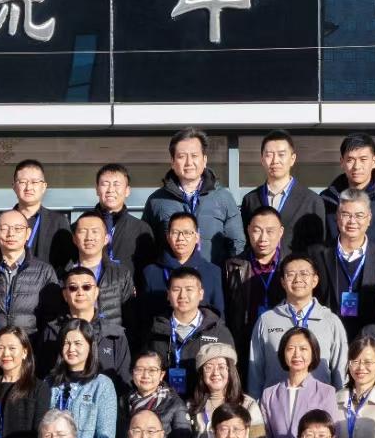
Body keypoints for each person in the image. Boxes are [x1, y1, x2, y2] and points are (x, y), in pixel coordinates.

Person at [249, 252, 347, 396]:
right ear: (283, 282)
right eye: (291, 274)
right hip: (276, 404)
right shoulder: (267, 320)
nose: (297, 279)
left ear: (315, 280)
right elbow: (255, 371)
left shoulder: (331, 321)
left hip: (318, 404)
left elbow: (340, 371)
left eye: (304, 274)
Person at [143, 127, 244, 264]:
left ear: (204, 159)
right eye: (182, 156)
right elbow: (146, 248)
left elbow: (237, 244)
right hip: (170, 276)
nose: (189, 162)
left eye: (194, 156)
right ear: (172, 162)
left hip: (212, 275)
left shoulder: (223, 198)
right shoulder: (157, 201)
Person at [318, 188, 375, 335]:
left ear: (369, 218)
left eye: (359, 215)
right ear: (337, 217)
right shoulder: (317, 254)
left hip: (369, 338)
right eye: (346, 215)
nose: (352, 221)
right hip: (327, 336)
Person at [39, 266, 131, 391]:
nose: (80, 292)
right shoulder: (52, 331)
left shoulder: (114, 334)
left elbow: (124, 380)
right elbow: (43, 376)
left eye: (86, 287)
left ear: (96, 292)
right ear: (65, 295)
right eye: (73, 288)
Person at [148, 266, 234, 396]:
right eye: (176, 290)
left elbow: (230, 375)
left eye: (189, 289)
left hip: (205, 402)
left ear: (201, 294)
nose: (182, 295)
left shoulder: (218, 331)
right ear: (168, 295)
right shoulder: (155, 330)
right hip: (165, 402)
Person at [240, 130, 328, 255]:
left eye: (281, 154)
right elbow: (246, 243)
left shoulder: (312, 200)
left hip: (296, 266)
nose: (275, 160)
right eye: (269, 155)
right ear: (262, 159)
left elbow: (317, 249)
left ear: (292, 159)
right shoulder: (250, 200)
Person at [46, 320, 118, 438]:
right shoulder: (49, 383)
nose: (71, 348)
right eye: (66, 343)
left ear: (90, 347)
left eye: (78, 343)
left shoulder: (102, 385)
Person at [261, 328, 337, 438]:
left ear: (313, 353)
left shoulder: (326, 392)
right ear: (283, 353)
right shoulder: (269, 394)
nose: (297, 354)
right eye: (290, 349)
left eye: (303, 349)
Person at [0, 210, 60, 333]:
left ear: (28, 233)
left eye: (18, 229)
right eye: (4, 228)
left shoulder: (44, 271)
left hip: (30, 341)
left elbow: (52, 317)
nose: (10, 234)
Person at [140, 212, 225, 324]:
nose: (180, 238)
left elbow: (219, 317)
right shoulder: (151, 272)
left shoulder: (213, 272)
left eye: (187, 233)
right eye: (175, 233)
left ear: (197, 237)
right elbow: (144, 317)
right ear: (168, 237)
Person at [63, 212, 138, 337]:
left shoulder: (121, 274)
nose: (89, 237)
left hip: (111, 341)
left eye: (95, 231)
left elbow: (131, 318)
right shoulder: (63, 274)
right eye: (83, 231)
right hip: (75, 342)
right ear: (74, 239)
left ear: (106, 239)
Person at [223, 206, 287, 347]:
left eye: (270, 231)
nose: (263, 238)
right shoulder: (233, 266)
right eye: (257, 230)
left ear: (281, 232)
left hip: (283, 340)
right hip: (245, 341)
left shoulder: (291, 266)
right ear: (248, 230)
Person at [187, 343, 264, 438]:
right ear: (201, 374)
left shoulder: (247, 405)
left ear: (230, 370)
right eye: (208, 367)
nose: (215, 373)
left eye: (221, 367)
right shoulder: (191, 406)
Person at [0, 328, 51, 438]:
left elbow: (40, 434)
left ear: (24, 352)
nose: (6, 353)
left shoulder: (39, 388)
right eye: (0, 348)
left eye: (12, 348)